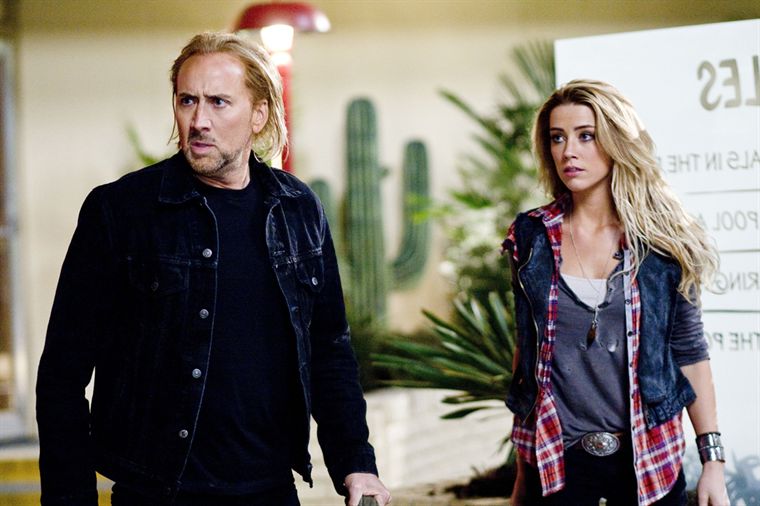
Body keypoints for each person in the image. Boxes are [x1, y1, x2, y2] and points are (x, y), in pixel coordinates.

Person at [36, 31, 391, 506]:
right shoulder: (121, 211)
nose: (199, 121)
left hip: (271, 491)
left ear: (259, 114)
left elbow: (329, 350)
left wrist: (356, 463)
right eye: (188, 101)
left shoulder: (298, 209)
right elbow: (62, 373)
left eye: (219, 102)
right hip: (158, 492)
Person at [503, 80, 729, 506]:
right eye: (557, 137)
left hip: (649, 462)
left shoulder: (663, 242)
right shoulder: (531, 238)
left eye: (586, 136)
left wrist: (712, 462)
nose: (568, 151)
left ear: (617, 140)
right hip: (555, 462)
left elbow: (690, 354)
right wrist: (522, 472)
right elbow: (527, 358)